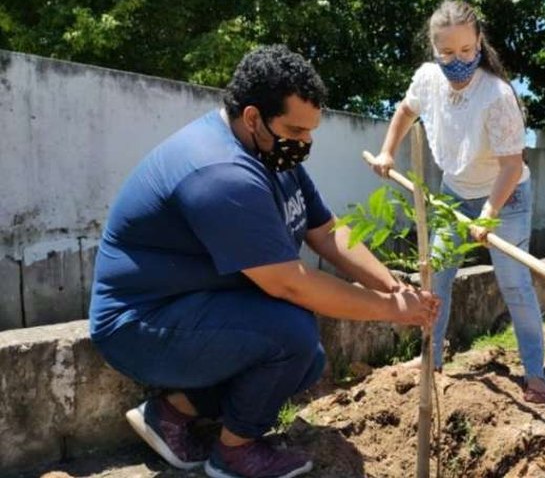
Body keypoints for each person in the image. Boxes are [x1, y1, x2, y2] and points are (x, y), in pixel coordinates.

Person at [89, 45, 440, 478]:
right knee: (290, 334)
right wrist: (391, 312)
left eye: (311, 131)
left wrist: (392, 286)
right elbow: (289, 283)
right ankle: (234, 454)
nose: (305, 143)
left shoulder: (274, 154)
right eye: (296, 130)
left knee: (305, 356)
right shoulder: (220, 173)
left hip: (193, 306)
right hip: (140, 325)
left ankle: (170, 415)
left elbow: (327, 231)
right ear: (253, 117)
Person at [370, 0, 545, 404]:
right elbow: (404, 111)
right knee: (436, 276)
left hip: (506, 197)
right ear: (434, 50)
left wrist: (488, 215)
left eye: (467, 51)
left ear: (479, 43)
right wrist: (386, 152)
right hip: (455, 195)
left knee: (515, 284)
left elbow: (510, 165)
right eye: (447, 53)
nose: (458, 61)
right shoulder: (427, 79)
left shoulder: (497, 95)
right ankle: (430, 359)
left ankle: (536, 375)